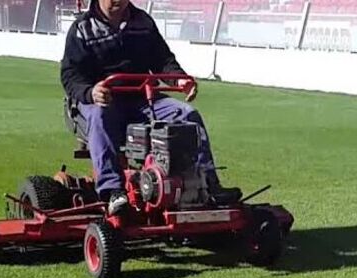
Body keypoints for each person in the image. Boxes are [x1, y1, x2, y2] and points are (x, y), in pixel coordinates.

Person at [60, 0, 240, 214]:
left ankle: (208, 183)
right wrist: (91, 92)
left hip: (141, 98)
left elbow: (163, 59)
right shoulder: (82, 29)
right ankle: (112, 191)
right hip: (102, 99)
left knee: (187, 114)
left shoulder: (143, 23)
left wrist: (179, 80)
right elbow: (70, 75)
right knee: (101, 117)